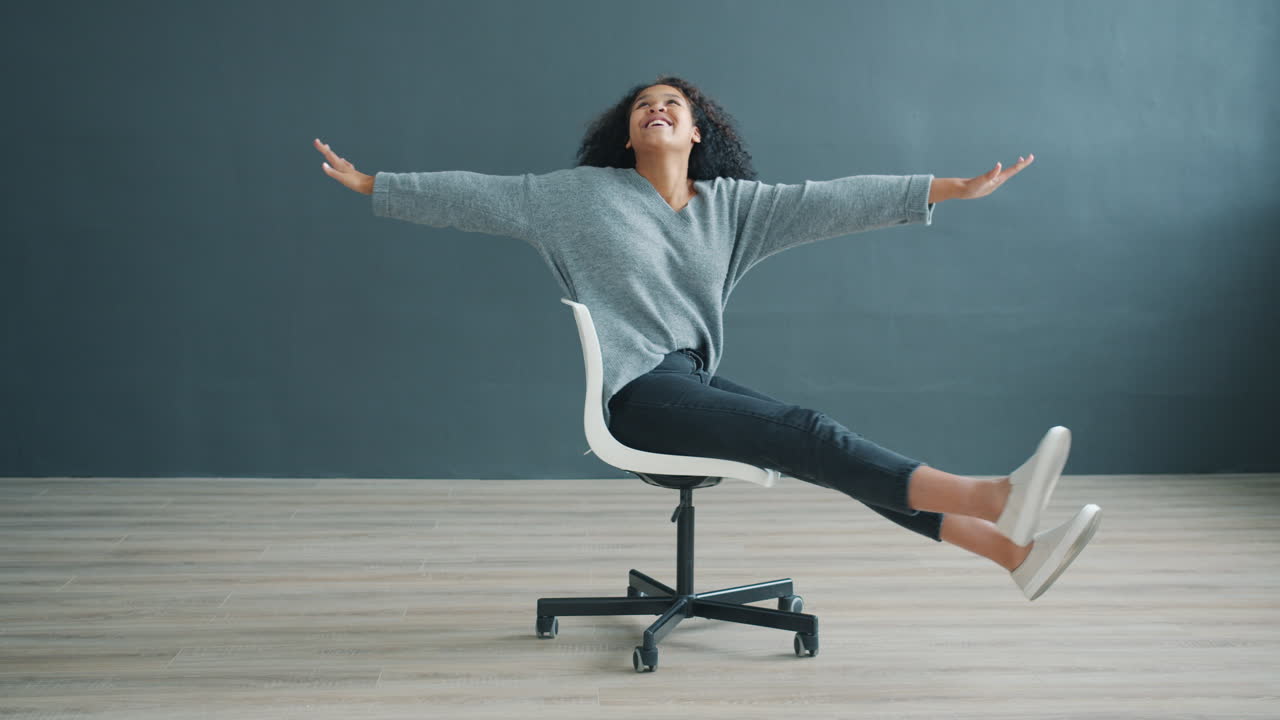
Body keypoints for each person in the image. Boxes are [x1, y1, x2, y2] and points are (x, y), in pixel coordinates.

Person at [313, 75, 1101, 602]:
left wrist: (947, 189)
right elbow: (474, 198)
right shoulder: (575, 197)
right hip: (636, 394)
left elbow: (835, 200)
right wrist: (374, 185)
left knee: (828, 449)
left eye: (673, 106)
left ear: (698, 133)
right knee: (811, 434)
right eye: (642, 106)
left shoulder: (735, 209)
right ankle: (996, 497)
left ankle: (1014, 556)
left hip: (686, 378)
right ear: (626, 136)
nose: (655, 109)